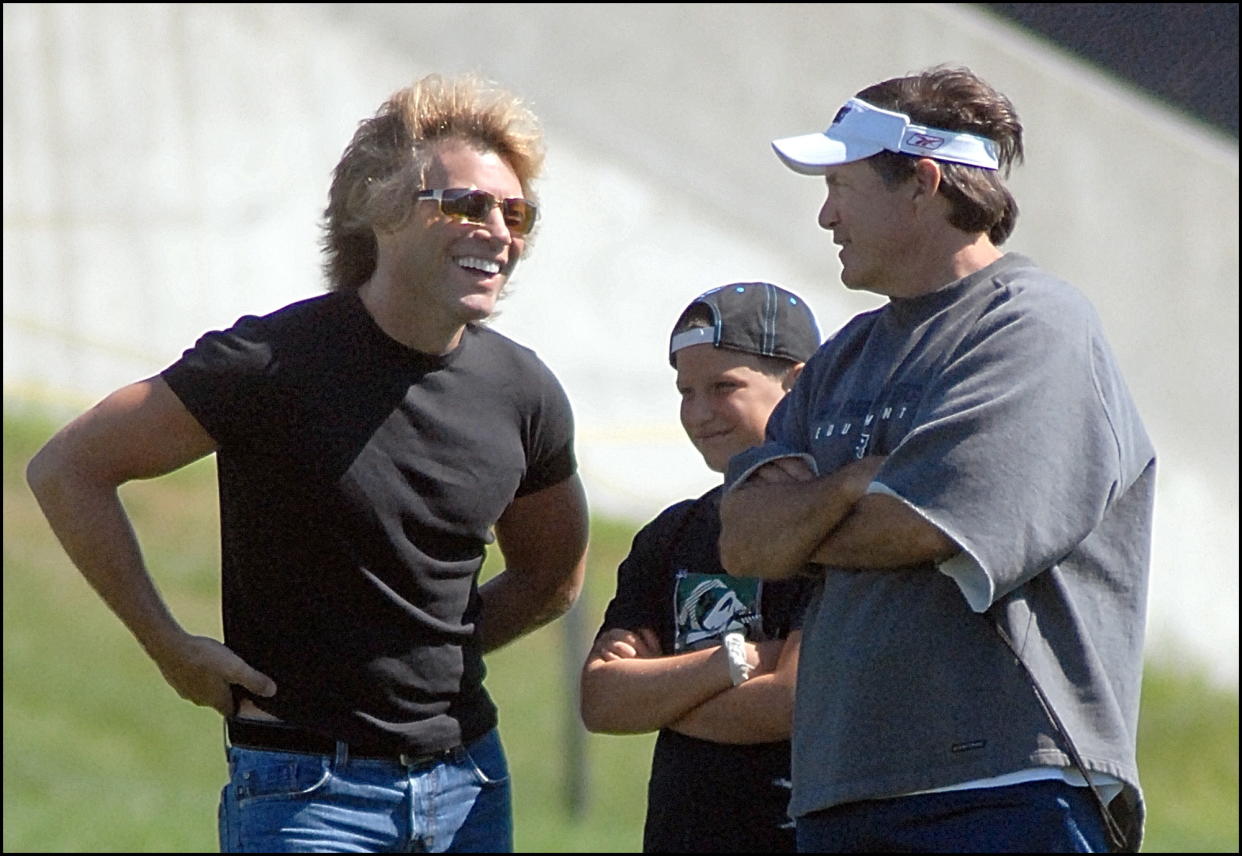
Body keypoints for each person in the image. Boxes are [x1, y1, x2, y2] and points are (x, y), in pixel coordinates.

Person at [26, 72, 589, 853]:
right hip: (306, 795)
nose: (497, 229)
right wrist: (171, 648)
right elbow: (67, 469)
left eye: (515, 211)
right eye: (464, 203)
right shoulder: (268, 363)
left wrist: (417, 658)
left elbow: (553, 578)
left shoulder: (523, 390)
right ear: (381, 208)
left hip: (469, 785)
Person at [717, 66, 1154, 853]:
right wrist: (858, 479)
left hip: (1007, 787)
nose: (825, 216)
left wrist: (810, 523)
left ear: (921, 182)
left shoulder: (1034, 326)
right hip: (842, 791)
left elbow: (924, 526)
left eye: (841, 187)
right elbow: (744, 540)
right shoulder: (845, 355)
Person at [581, 282, 829, 853]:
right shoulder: (670, 537)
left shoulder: (834, 532)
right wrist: (734, 661)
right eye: (685, 391)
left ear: (797, 384)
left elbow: (791, 702)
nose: (699, 413)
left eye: (724, 387)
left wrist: (661, 691)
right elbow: (602, 701)